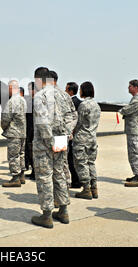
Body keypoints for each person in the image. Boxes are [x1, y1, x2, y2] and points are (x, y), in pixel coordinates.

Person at [31, 67, 73, 229]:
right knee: (59, 173)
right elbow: (71, 115)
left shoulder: (40, 96)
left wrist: (50, 142)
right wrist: (66, 134)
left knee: (44, 176)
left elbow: (42, 121)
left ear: (38, 80)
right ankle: (63, 210)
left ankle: (47, 215)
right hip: (61, 140)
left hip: (45, 143)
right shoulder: (63, 95)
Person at [49, 71, 78, 192]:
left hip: (52, 136)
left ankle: (59, 194)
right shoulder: (65, 95)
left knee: (54, 166)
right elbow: (74, 115)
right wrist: (67, 132)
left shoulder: (47, 95)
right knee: (62, 163)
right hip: (61, 136)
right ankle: (65, 188)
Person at [73, 81, 101, 200]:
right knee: (91, 163)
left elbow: (78, 122)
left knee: (81, 163)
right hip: (92, 138)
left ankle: (86, 188)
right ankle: (94, 188)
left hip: (82, 138)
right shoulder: (96, 105)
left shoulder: (84, 105)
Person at [1, 80, 27, 187]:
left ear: (12, 88)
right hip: (22, 132)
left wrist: (4, 127)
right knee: (21, 154)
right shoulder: (23, 100)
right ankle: (21, 175)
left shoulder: (12, 101)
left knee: (13, 155)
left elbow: (6, 117)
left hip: (14, 132)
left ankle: (15, 178)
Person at [119, 80, 138, 187]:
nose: (128, 88)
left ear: (135, 87)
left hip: (135, 131)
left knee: (134, 153)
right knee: (133, 153)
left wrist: (122, 110)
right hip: (133, 130)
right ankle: (137, 174)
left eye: (130, 86)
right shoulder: (136, 98)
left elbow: (126, 110)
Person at [65, 82, 82, 188]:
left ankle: (76, 181)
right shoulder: (79, 102)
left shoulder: (71, 102)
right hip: (76, 134)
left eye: (66, 89)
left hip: (71, 134)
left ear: (71, 91)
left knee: (70, 160)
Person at [25, 82, 35, 179]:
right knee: (29, 151)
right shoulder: (29, 100)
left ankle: (35, 172)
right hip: (29, 129)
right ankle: (33, 171)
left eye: (30, 89)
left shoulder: (35, 101)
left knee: (33, 151)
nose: (29, 91)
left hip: (33, 130)